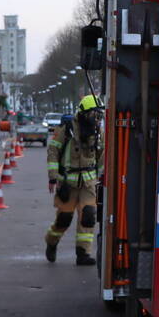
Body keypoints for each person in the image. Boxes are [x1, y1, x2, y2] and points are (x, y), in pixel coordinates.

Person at [46, 94, 104, 265]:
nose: (97, 118)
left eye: (99, 114)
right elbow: (53, 151)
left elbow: (102, 156)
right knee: (64, 218)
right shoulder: (67, 129)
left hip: (88, 183)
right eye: (94, 114)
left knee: (88, 216)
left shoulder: (97, 132)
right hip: (68, 183)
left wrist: (101, 177)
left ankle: (83, 253)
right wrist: (53, 176)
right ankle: (51, 242)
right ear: (84, 113)